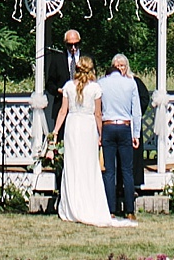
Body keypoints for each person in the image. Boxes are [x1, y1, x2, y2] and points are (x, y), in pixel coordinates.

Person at [52, 56, 119, 224]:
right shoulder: (95, 88)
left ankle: (72, 206)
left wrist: (55, 131)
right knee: (88, 166)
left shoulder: (68, 86)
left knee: (73, 165)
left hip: (73, 126)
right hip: (88, 127)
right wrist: (101, 134)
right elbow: (98, 114)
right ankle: (88, 204)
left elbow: (62, 112)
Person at [97, 55, 141, 218]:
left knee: (109, 171)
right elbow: (136, 111)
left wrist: (98, 133)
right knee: (127, 170)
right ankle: (129, 210)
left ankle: (111, 210)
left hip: (108, 126)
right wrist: (135, 134)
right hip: (124, 126)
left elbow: (98, 110)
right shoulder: (131, 83)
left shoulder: (101, 83)